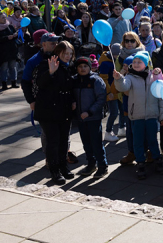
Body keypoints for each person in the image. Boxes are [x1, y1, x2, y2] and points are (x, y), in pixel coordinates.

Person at [113, 50, 163, 179]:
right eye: (135, 62)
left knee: (152, 140)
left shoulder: (154, 77)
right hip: (136, 115)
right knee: (138, 141)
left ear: (146, 64)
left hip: (152, 115)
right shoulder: (130, 77)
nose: (136, 64)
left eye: (139, 62)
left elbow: (161, 97)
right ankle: (140, 163)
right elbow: (123, 87)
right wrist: (119, 78)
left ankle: (157, 160)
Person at [34, 40, 76, 185]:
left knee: (64, 141)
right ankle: (54, 170)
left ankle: (63, 167)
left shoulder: (70, 67)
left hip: (64, 110)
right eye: (65, 53)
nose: (68, 56)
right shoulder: (46, 64)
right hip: (48, 110)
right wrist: (50, 72)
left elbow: (71, 87)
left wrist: (73, 101)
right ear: (58, 53)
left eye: (70, 54)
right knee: (53, 142)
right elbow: (40, 83)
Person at [72, 56, 108, 178]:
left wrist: (90, 111)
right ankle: (91, 164)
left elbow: (101, 98)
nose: (82, 69)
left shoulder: (95, 80)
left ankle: (102, 166)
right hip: (81, 118)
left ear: (90, 67)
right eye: (80, 67)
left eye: (85, 66)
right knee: (86, 143)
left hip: (93, 117)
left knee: (96, 142)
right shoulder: (75, 80)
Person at [0, 12, 20, 90]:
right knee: (4, 68)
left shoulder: (9, 26)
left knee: (13, 67)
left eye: (5, 17)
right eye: (2, 17)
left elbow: (15, 34)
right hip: (2, 51)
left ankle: (14, 82)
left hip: (12, 50)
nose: (4, 19)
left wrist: (15, 35)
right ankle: (4, 84)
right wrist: (7, 38)